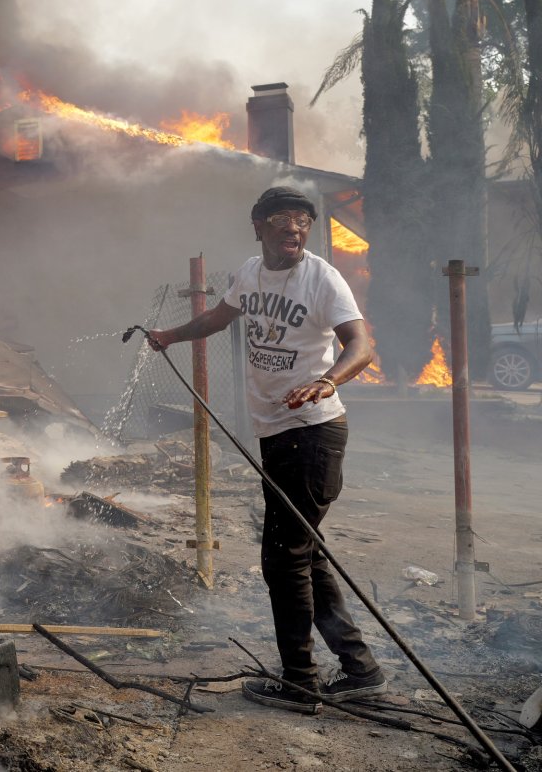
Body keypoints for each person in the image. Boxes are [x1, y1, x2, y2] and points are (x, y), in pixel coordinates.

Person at [146, 186, 387, 715]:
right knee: (303, 551)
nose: (294, 230)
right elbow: (217, 318)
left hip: (314, 433)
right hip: (278, 434)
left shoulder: (322, 277)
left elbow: (361, 345)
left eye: (302, 222)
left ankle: (301, 682)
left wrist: (327, 381)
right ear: (258, 225)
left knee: (284, 558)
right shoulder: (252, 272)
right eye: (282, 221)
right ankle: (360, 668)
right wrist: (169, 334)